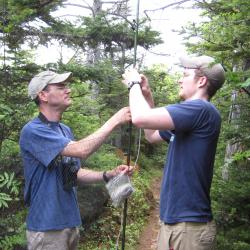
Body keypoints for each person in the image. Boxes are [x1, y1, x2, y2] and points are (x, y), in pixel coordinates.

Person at [19, 70, 132, 250]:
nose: (68, 90)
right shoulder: (33, 130)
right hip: (47, 229)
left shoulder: (64, 130)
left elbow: (72, 175)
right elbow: (81, 150)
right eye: (61, 86)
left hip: (70, 224)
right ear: (43, 95)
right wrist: (114, 121)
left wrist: (109, 174)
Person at [122, 55, 225, 250]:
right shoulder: (192, 116)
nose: (180, 79)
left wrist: (133, 83)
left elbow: (140, 118)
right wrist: (147, 95)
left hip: (189, 228)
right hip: (176, 224)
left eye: (185, 75)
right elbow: (151, 135)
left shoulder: (200, 109)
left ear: (201, 81)